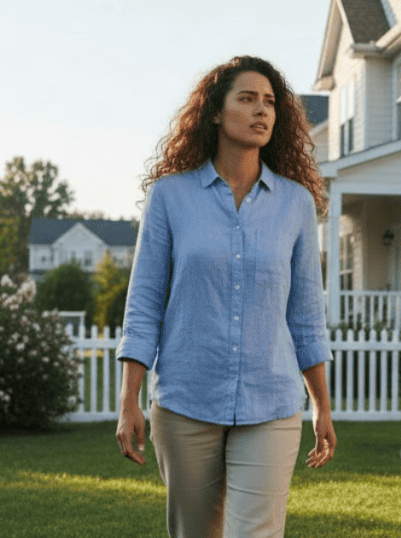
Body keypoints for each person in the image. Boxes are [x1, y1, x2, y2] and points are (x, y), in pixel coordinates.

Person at [114, 56, 336, 538]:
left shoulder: (296, 203)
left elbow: (306, 316)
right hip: (186, 400)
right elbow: (145, 302)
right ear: (215, 112)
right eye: (247, 98)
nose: (262, 111)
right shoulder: (170, 197)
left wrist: (321, 404)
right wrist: (129, 398)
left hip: (272, 401)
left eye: (271, 102)